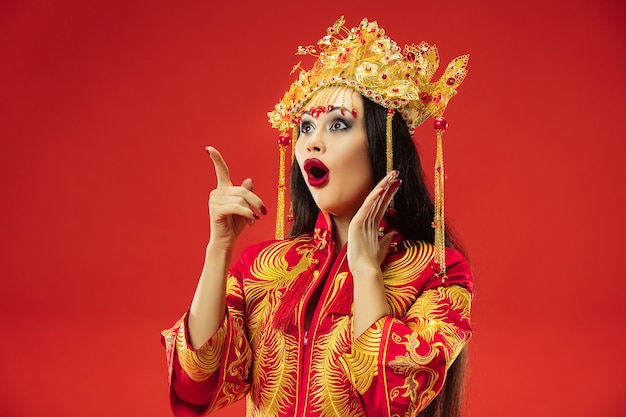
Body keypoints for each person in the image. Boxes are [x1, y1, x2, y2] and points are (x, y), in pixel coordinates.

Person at [162, 16, 472, 417]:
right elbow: (195, 386)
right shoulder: (264, 268)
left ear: (382, 145)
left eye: (338, 125)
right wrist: (219, 248)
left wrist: (366, 271)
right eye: (306, 127)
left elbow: (388, 398)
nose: (313, 143)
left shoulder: (436, 272)